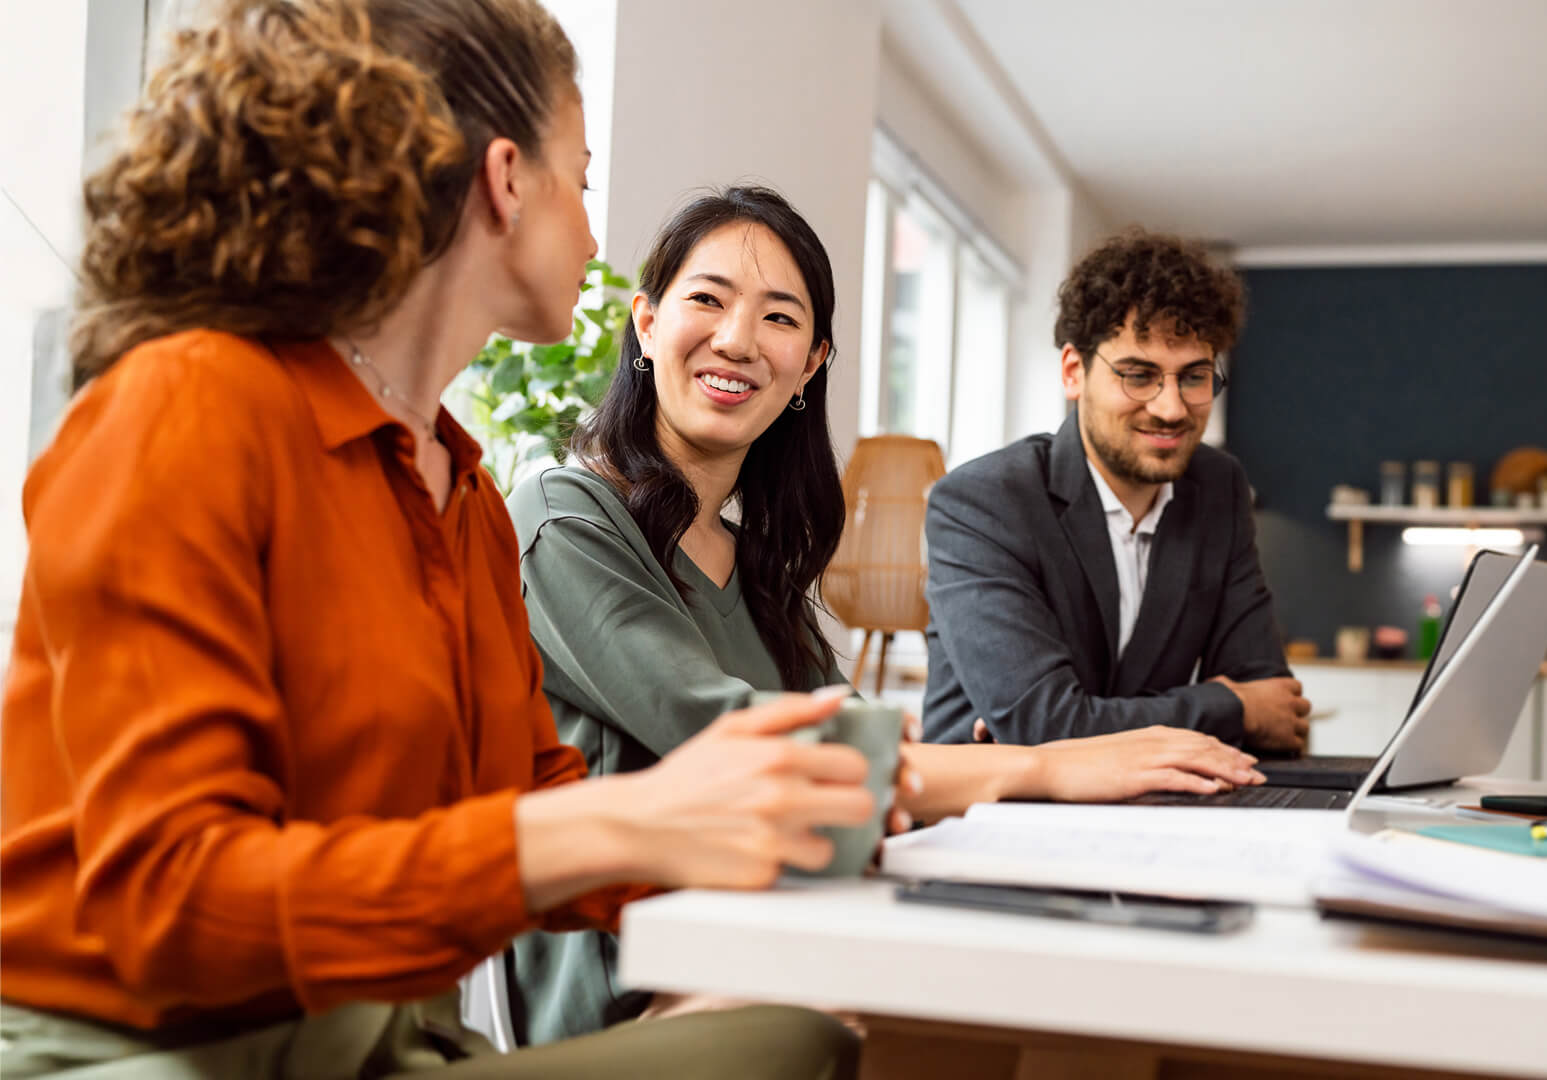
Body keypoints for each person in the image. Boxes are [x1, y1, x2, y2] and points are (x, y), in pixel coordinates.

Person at [0, 3, 865, 1076]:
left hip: (383, 1041)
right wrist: (637, 827)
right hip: (145, 1054)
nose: (594, 240)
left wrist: (773, 869)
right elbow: (175, 904)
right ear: (507, 180)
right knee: (789, 1045)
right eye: (581, 183)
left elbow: (530, 799)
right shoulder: (186, 407)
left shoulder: (457, 490)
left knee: (803, 1024)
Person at [504, 186, 1267, 1045]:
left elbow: (850, 727)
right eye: (708, 300)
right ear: (646, 324)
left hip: (782, 916)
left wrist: (950, 771)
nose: (737, 339)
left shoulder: (753, 556)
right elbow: (728, 733)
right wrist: (1035, 767)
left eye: (780, 318)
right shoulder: (561, 515)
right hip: (637, 970)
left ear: (812, 362)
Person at [920, 230, 1312, 751]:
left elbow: (1278, 715)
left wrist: (1082, 723)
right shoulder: (983, 502)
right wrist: (1230, 706)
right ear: (1073, 371)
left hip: (1158, 807)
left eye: (1193, 377)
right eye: (1138, 375)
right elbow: (1044, 727)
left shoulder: (1219, 487)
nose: (1171, 408)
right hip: (995, 815)